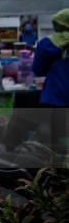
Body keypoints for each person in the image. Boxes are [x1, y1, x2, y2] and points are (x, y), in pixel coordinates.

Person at [33, 8, 69, 151]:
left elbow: (38, 69)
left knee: (58, 138)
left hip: (56, 97)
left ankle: (59, 167)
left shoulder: (47, 44)